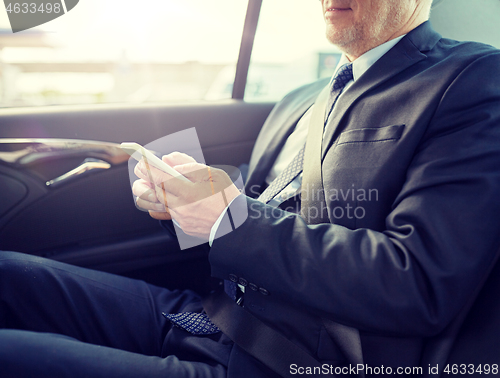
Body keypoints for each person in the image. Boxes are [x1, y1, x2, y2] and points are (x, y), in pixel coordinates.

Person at [1, 0, 500, 376]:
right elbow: (256, 200)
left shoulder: (469, 79)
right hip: (201, 315)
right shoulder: (299, 100)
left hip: (279, 361)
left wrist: (227, 219)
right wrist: (177, 195)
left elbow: (419, 283)